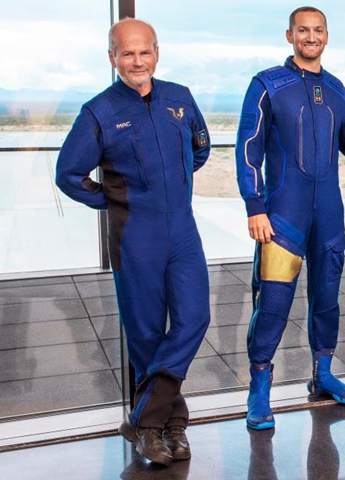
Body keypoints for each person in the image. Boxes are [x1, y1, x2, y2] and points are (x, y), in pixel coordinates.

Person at [56, 18, 210, 466]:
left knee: (194, 318)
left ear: (157, 53)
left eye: (144, 52)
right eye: (127, 53)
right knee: (145, 334)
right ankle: (169, 427)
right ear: (112, 58)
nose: (136, 61)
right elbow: (68, 174)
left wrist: (174, 186)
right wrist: (114, 199)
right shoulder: (99, 112)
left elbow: (199, 149)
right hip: (134, 234)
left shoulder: (180, 98)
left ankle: (142, 420)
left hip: (182, 229)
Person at [235, 6, 345, 430]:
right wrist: (255, 206)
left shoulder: (337, 87)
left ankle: (323, 374)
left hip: (328, 213)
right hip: (282, 214)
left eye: (318, 30)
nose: (311, 37)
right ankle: (259, 388)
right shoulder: (268, 84)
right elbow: (248, 147)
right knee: (272, 303)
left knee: (327, 299)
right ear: (289, 35)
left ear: (327, 35)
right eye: (303, 30)